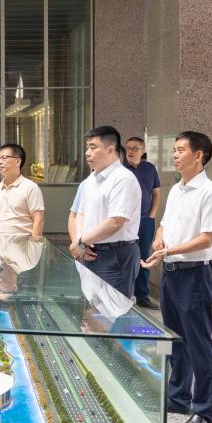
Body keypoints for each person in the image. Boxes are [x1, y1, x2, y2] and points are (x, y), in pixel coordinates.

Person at [142, 131, 212, 423]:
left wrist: (169, 251)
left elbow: (206, 238)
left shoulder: (210, 193)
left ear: (198, 155)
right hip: (172, 273)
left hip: (195, 275)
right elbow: (164, 224)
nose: (174, 155)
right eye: (174, 150)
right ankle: (178, 398)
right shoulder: (177, 189)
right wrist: (159, 240)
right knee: (175, 339)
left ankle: (204, 411)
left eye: (180, 150)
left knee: (198, 344)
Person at [70, 126, 141, 299]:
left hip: (115, 255)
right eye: (87, 147)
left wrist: (82, 243)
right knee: (92, 307)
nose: (87, 153)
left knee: (110, 310)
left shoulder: (122, 178)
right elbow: (80, 213)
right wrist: (80, 241)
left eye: (93, 147)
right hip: (91, 251)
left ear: (110, 150)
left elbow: (115, 221)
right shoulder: (91, 179)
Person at [173, 161, 212, 316]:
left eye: (181, 150)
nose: (176, 155)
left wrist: (206, 201)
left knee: (211, 259)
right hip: (187, 221)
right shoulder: (181, 172)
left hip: (207, 220)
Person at [123, 136, 160, 308]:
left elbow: (156, 193)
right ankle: (123, 295)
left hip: (145, 221)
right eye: (128, 148)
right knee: (125, 257)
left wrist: (152, 215)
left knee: (143, 257)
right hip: (124, 222)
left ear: (143, 150)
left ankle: (142, 296)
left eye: (135, 148)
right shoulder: (120, 170)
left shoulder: (150, 169)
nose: (130, 151)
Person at [0, 143, 44, 238]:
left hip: (22, 244)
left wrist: (34, 245)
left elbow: (38, 220)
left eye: (4, 158)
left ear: (17, 161)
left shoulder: (31, 187)